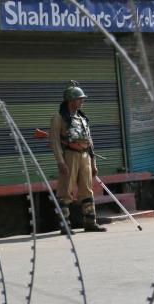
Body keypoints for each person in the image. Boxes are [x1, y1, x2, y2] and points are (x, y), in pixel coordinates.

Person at [50, 81, 107, 234]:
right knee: (65, 191)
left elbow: (89, 140)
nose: (82, 101)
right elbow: (54, 141)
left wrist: (93, 162)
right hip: (69, 156)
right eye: (79, 98)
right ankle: (65, 225)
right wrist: (60, 161)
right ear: (70, 100)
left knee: (87, 190)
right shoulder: (58, 118)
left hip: (85, 156)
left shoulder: (82, 118)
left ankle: (90, 222)